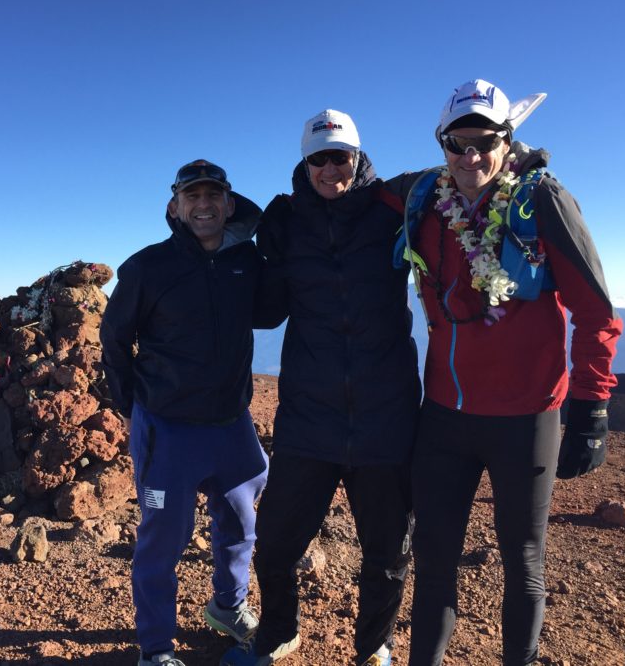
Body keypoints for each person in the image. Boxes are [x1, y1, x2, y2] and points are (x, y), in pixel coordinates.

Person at [381, 79, 623, 666]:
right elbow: (354, 188)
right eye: (457, 143)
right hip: (444, 416)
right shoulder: (424, 196)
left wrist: (591, 407)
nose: (470, 158)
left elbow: (595, 310)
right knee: (435, 557)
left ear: (507, 141)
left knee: (522, 559)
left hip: (526, 415)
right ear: (442, 144)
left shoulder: (540, 202)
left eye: (484, 142)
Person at [222, 110, 421, 666]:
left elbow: (453, 180)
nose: (330, 168)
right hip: (311, 416)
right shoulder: (286, 219)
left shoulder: (392, 205)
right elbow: (267, 309)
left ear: (357, 158)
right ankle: (279, 631)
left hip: (386, 414)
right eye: (319, 158)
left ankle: (373, 646)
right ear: (304, 163)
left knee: (386, 552)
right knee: (278, 544)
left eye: (341, 156)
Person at [100, 160, 270, 666]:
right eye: (191, 196)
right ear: (174, 207)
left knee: (241, 524)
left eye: (213, 195)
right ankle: (155, 648)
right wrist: (132, 406)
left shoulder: (247, 263)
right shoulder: (147, 267)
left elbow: (272, 311)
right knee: (163, 538)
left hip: (231, 424)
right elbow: (114, 340)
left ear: (229, 204)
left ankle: (227, 606)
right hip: (167, 428)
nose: (203, 204)